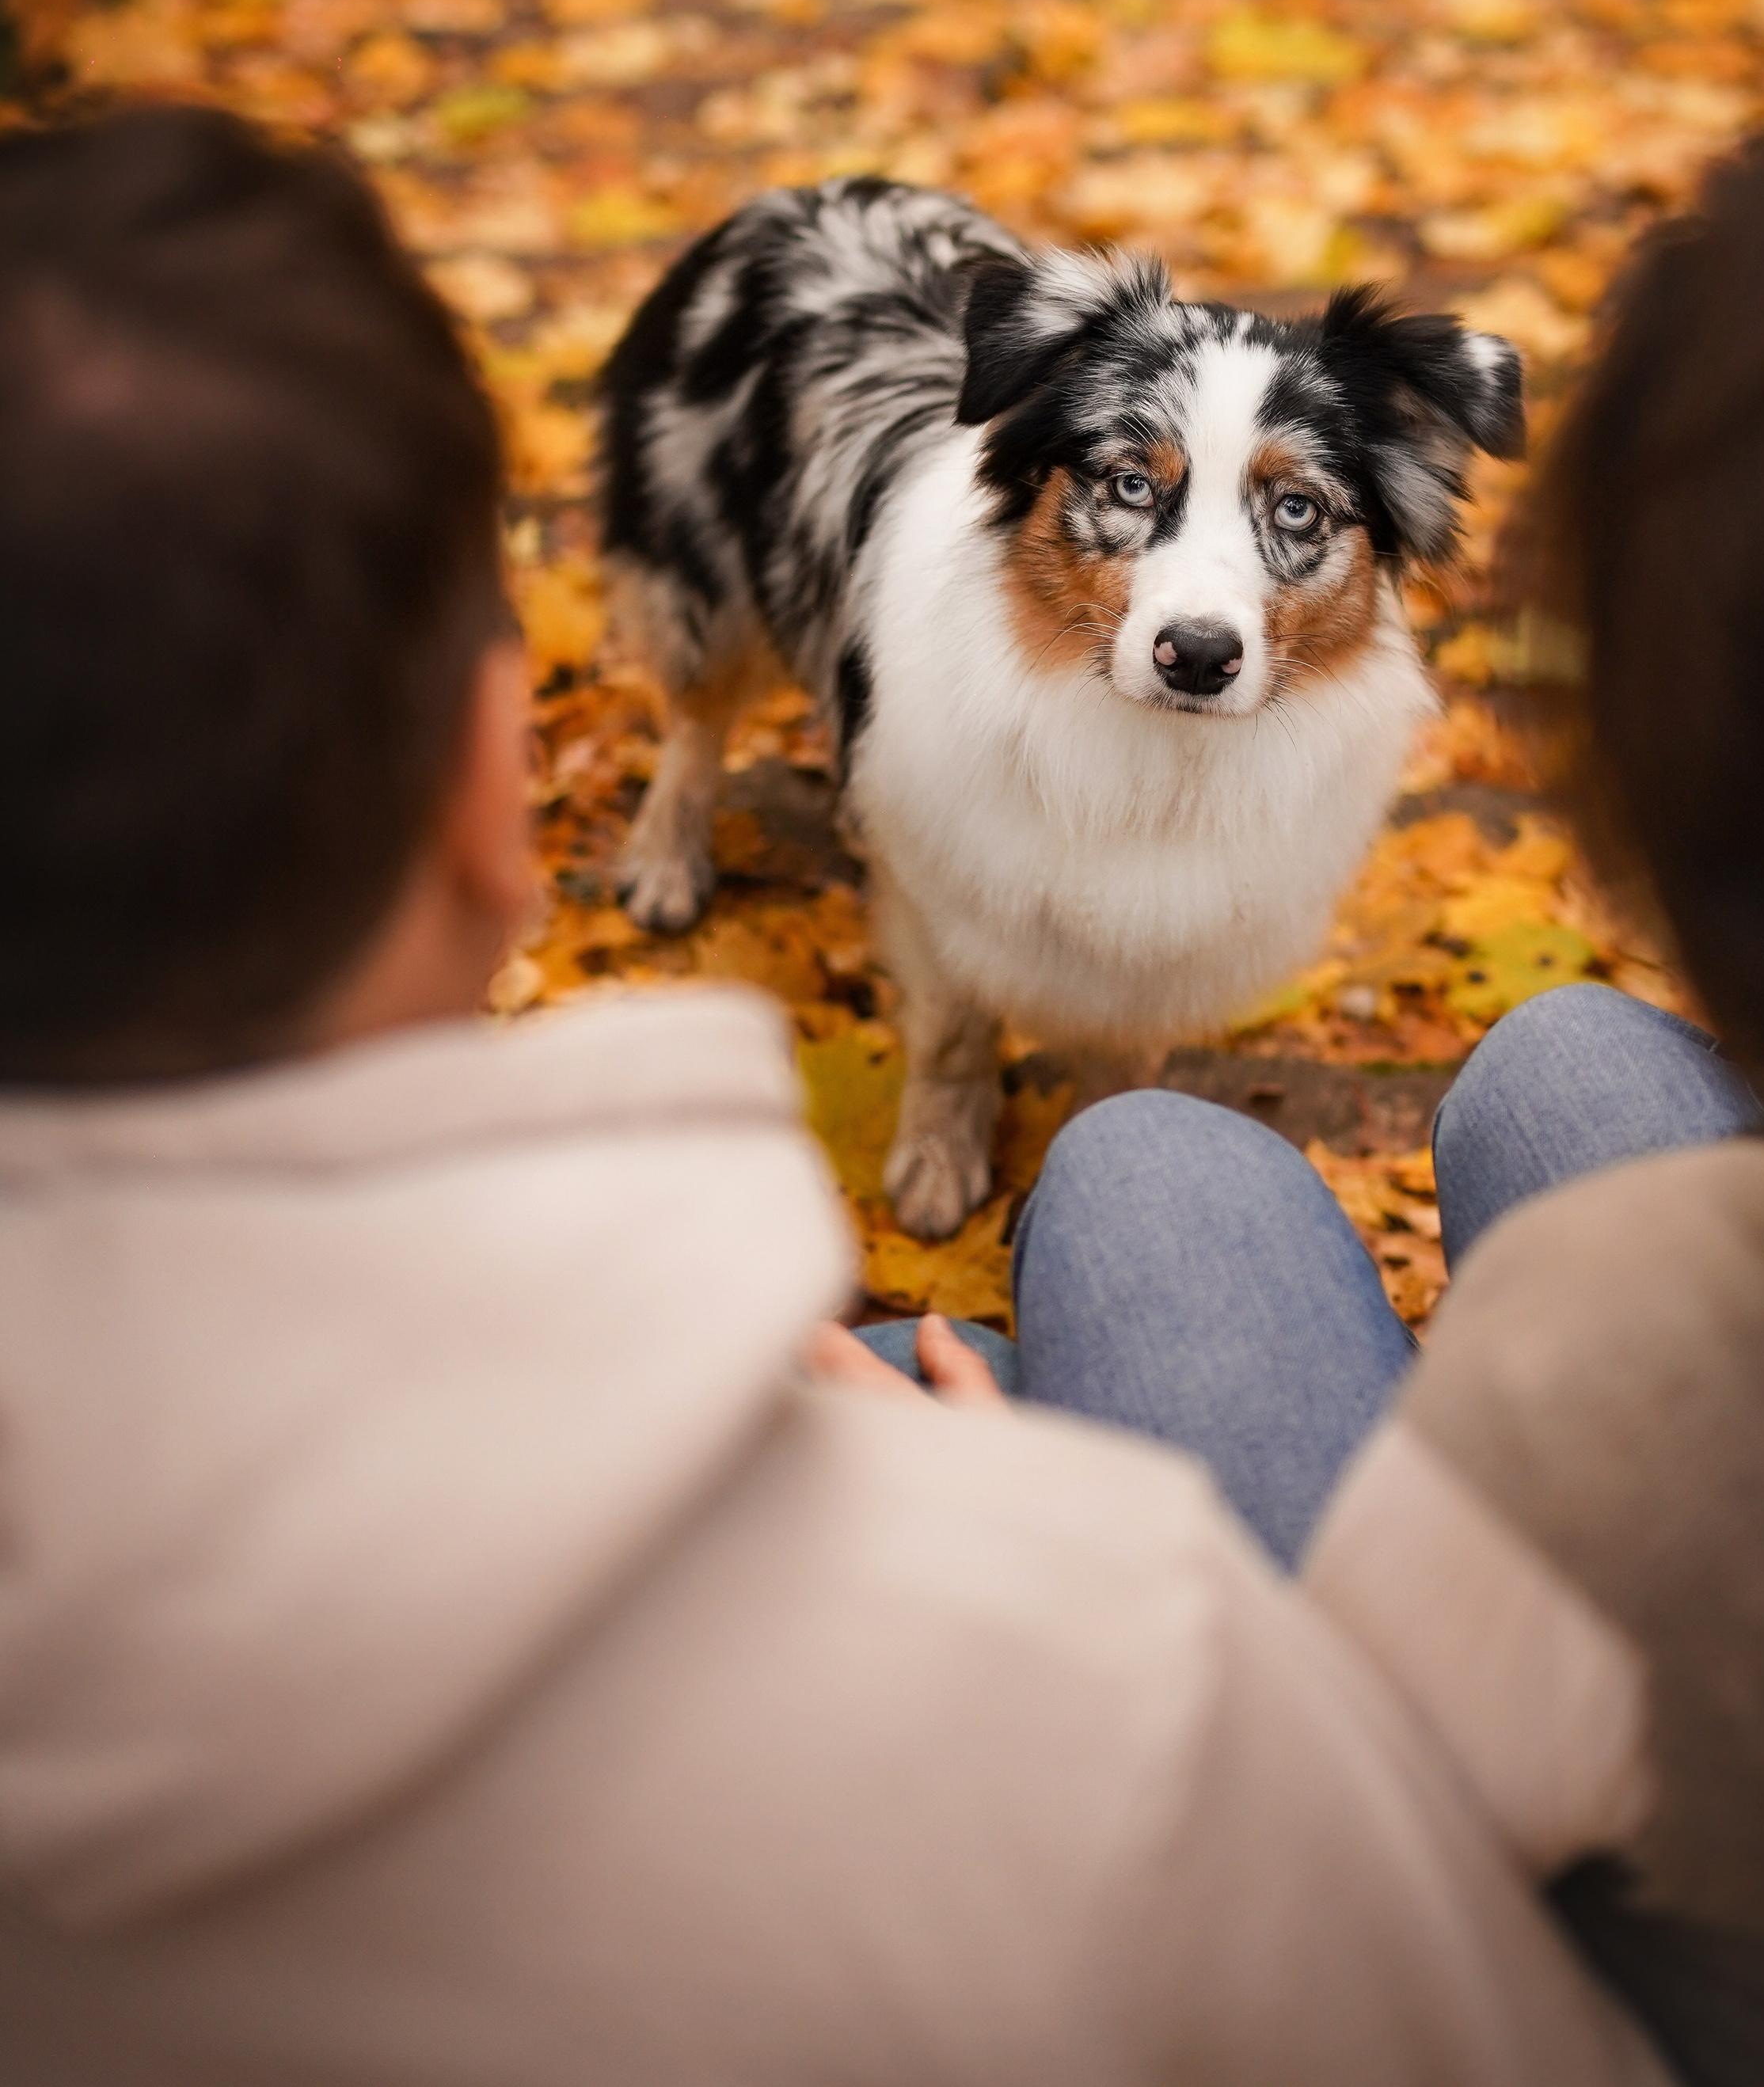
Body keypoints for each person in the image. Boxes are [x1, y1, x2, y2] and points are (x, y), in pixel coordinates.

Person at [0, 107, 1667, 2087]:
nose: (1201, 595)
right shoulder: (1120, 1634)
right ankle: (719, 791)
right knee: (1162, 1143)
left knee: (1151, 1128)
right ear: (485, 777)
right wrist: (1014, 1532)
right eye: (1128, 496)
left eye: (1292, 515)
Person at [856, 105, 1764, 2087]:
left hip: (1543, 1987)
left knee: (1140, 1176)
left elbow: (1320, 1870)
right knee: (1568, 1053)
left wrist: (1019, 1536)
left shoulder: (1624, 1358)